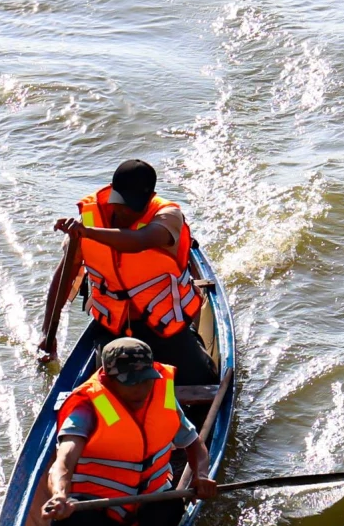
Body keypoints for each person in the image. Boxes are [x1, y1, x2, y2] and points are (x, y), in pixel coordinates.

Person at [21, 337, 218, 526]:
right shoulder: (87, 406)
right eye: (130, 382)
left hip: (148, 499)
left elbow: (194, 445)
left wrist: (201, 475)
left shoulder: (161, 393)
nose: (141, 388)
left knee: (172, 510)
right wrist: (59, 495)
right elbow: (63, 461)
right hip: (99, 506)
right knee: (67, 514)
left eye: (146, 379)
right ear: (108, 379)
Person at [36, 159, 218, 385]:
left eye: (134, 206)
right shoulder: (89, 218)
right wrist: (47, 333)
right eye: (120, 203)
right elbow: (64, 275)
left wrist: (87, 233)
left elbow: (138, 241)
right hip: (114, 329)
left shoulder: (168, 215)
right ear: (112, 190)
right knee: (105, 394)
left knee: (203, 382)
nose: (125, 212)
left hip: (165, 325)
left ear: (150, 197)